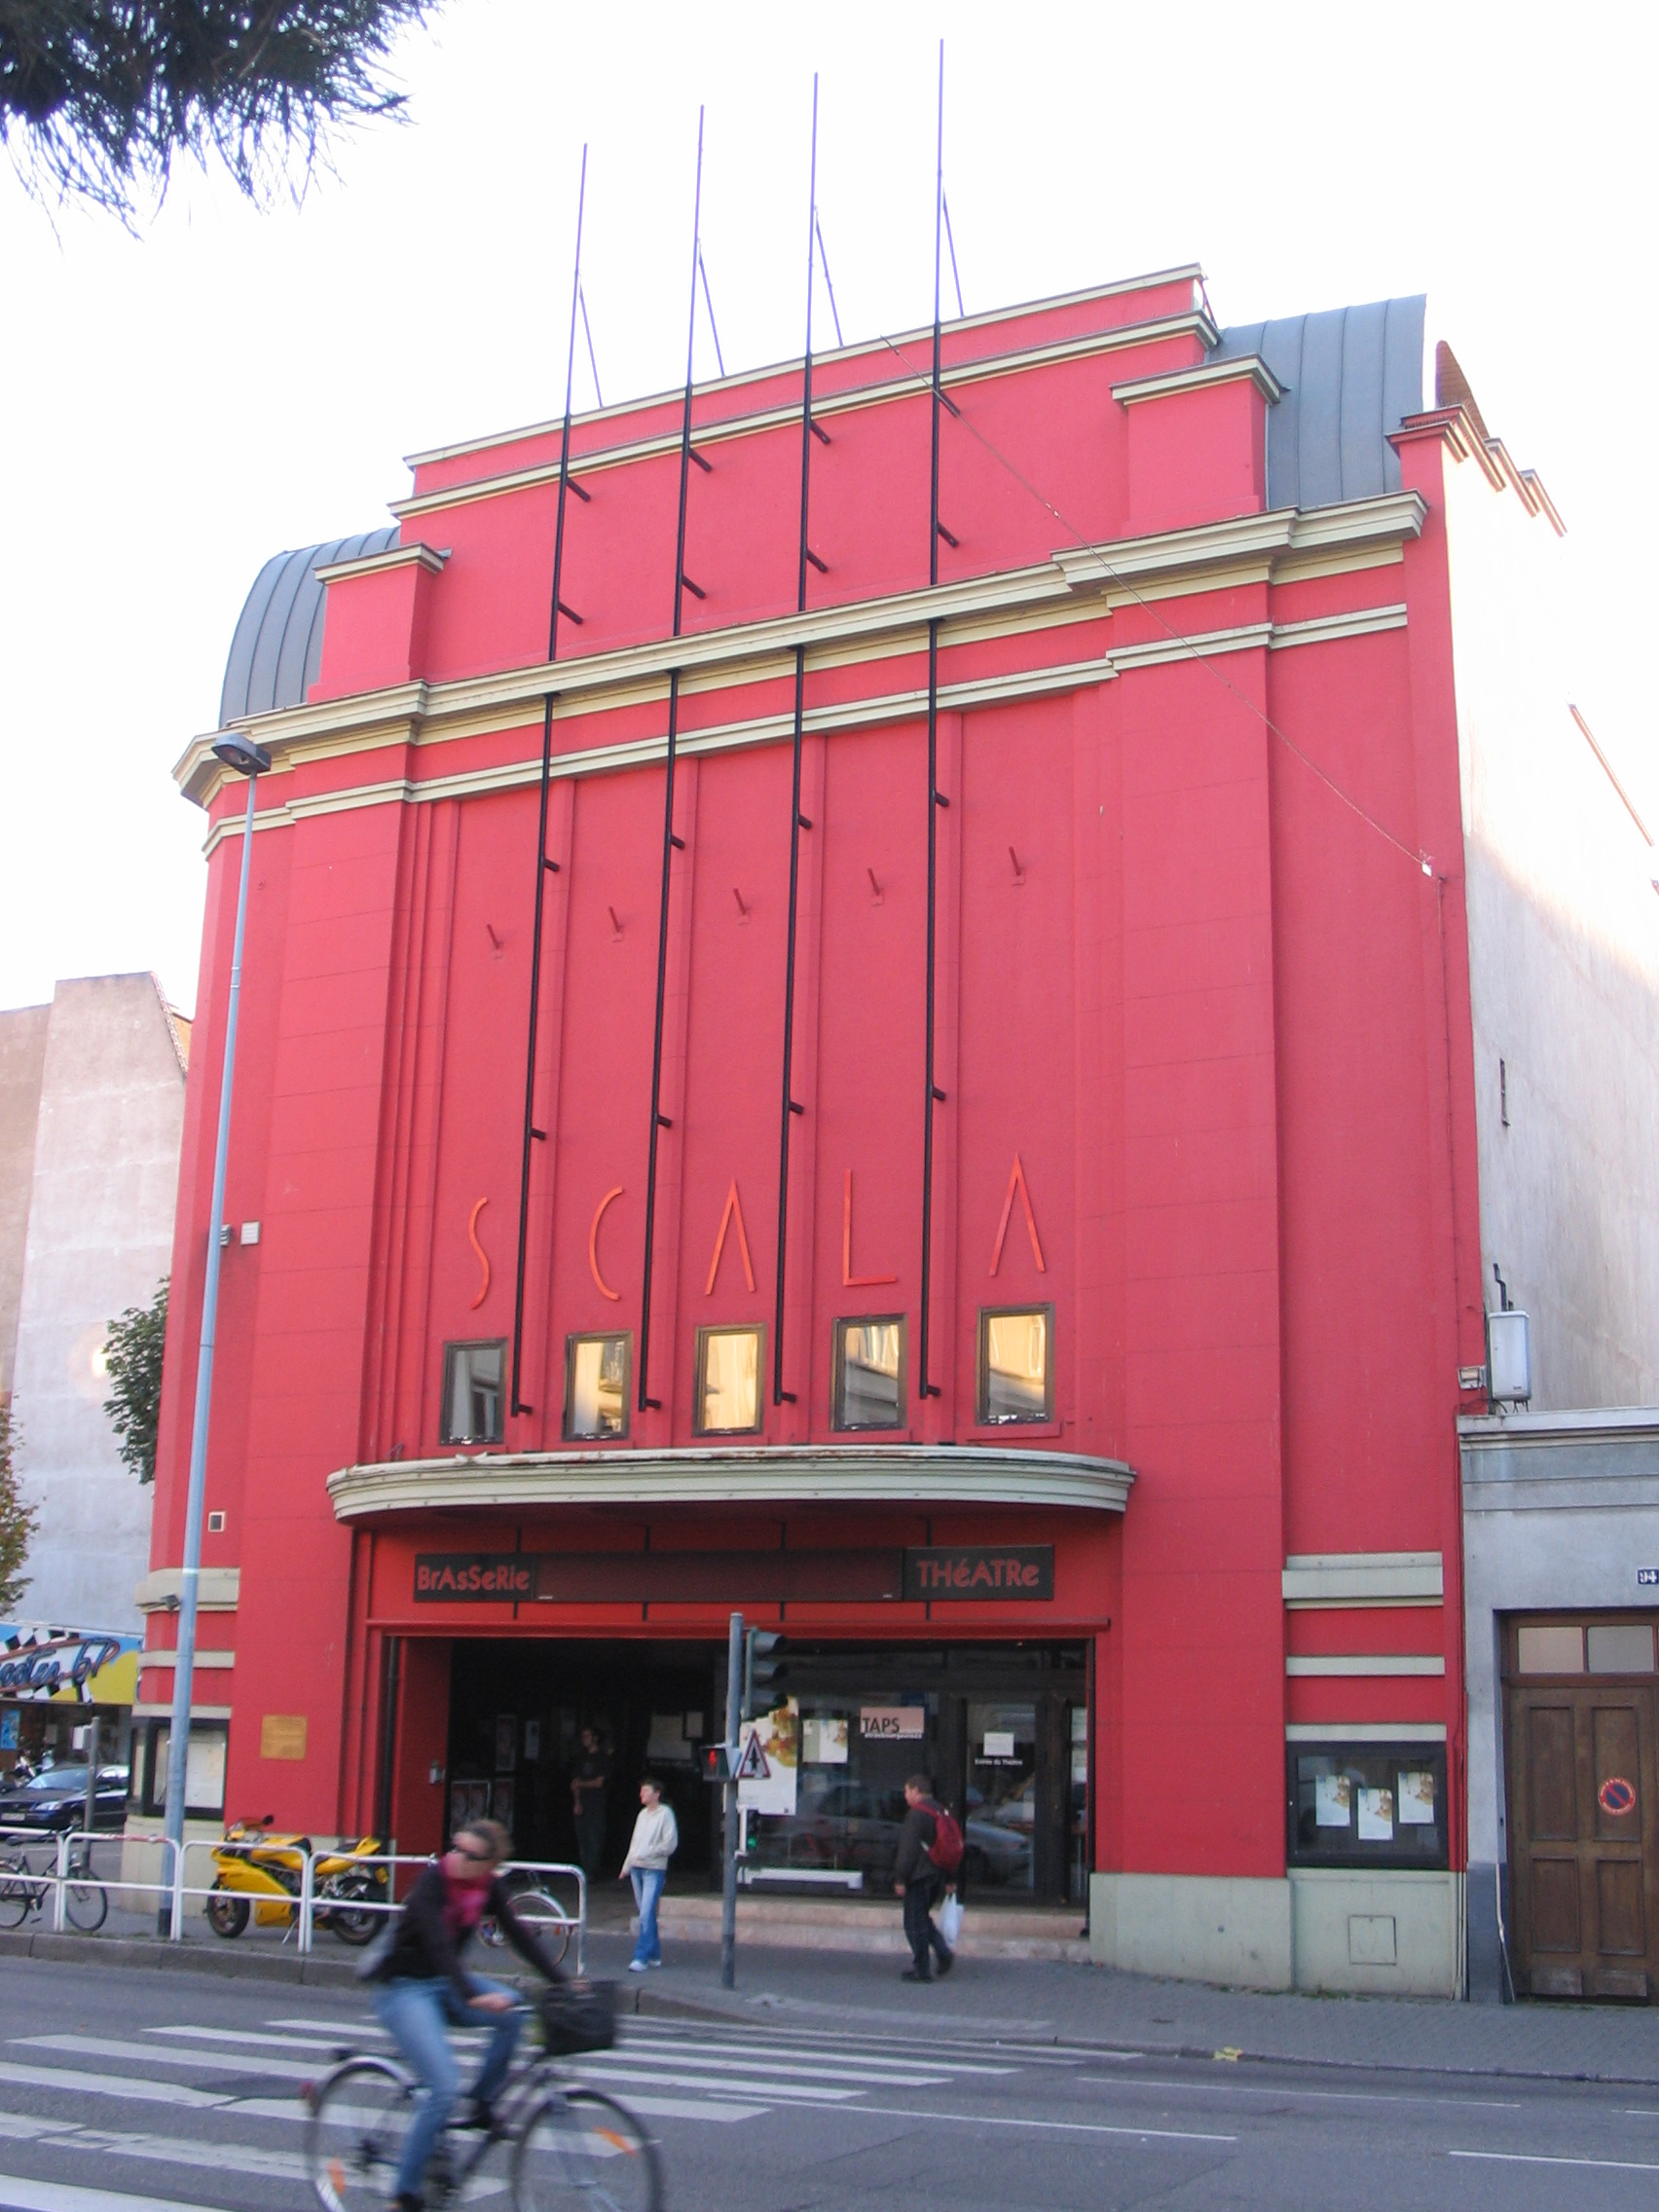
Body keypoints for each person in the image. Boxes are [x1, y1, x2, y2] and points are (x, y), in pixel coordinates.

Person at [369, 1817, 564, 2212]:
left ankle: (481, 2103)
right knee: (443, 2087)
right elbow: (439, 1948)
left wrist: (563, 1982)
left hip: (444, 1984)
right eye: (455, 1848)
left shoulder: (487, 1886)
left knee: (513, 2012)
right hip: (404, 1988)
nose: (456, 1857)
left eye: (469, 1855)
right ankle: (404, 2196)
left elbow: (520, 1936)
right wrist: (473, 1996)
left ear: (489, 1865)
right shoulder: (431, 1884)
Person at [893, 1773, 955, 1983]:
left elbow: (908, 1849)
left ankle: (922, 1969)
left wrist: (901, 1878)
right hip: (938, 1873)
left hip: (919, 1875)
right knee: (922, 1918)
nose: (905, 1795)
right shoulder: (940, 1810)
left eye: (907, 1791)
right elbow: (949, 1845)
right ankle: (942, 1952)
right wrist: (950, 1878)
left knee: (913, 1923)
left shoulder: (916, 1815)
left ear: (916, 1791)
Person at [618, 1775, 678, 1973]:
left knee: (644, 1913)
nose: (641, 1794)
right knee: (647, 1912)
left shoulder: (665, 1814)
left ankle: (640, 1956)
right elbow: (634, 1843)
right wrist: (627, 1866)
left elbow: (670, 1843)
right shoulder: (642, 1815)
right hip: (637, 1867)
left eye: (646, 1791)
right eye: (642, 1790)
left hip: (654, 1868)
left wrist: (650, 1852)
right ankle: (654, 1954)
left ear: (656, 1794)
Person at [570, 1725, 612, 1877]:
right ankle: (584, 1870)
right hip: (582, 1803)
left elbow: (599, 1782)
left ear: (595, 1738)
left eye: (588, 1736)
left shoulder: (603, 1758)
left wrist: (581, 1784)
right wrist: (577, 1802)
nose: (585, 1739)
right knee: (582, 1839)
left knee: (594, 1837)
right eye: (583, 1736)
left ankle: (592, 1871)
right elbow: (574, 1783)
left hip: (596, 1804)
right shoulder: (580, 1758)